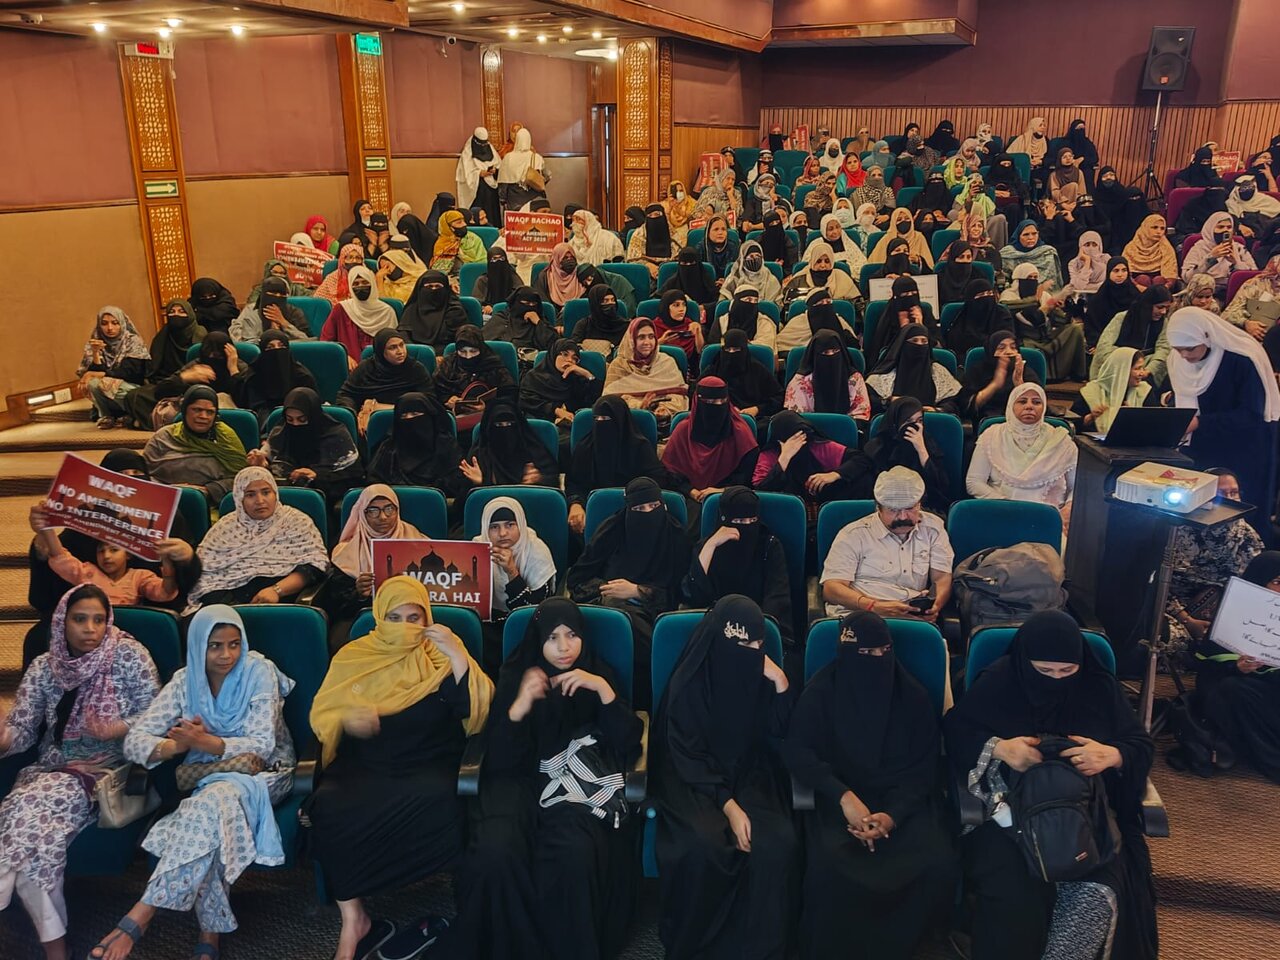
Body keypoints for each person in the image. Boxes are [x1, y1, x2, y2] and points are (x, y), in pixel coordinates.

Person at [943, 612, 1157, 960]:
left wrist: (1112, 755)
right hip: (1009, 815)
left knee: (1094, 891)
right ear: (1025, 662)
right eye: (1044, 671)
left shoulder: (1098, 686)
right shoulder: (1001, 681)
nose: (1056, 679)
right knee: (1015, 893)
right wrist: (1000, 748)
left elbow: (1140, 745)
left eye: (1067, 671)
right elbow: (956, 731)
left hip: (1086, 814)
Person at [88, 605, 295, 960]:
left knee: (212, 802)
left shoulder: (259, 671)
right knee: (213, 812)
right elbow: (135, 742)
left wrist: (206, 743)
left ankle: (141, 915)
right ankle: (209, 932)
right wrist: (176, 746)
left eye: (234, 644)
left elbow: (262, 744)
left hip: (264, 773)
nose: (226, 655)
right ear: (198, 645)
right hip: (209, 780)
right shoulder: (185, 681)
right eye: (215, 646)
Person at [308, 576, 492, 960]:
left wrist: (457, 655)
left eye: (414, 617)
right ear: (378, 617)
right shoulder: (355, 655)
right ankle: (354, 919)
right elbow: (325, 712)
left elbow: (475, 712)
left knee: (442, 801)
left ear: (427, 618)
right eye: (395, 617)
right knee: (329, 805)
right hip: (366, 762)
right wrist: (346, 718)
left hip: (429, 758)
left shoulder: (439, 653)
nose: (405, 627)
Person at [452, 596, 641, 960]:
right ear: (538, 640)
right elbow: (501, 762)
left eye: (572, 635)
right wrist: (520, 706)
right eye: (552, 637)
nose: (564, 647)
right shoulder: (517, 675)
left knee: (574, 852)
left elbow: (629, 741)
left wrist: (603, 690)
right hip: (519, 780)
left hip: (576, 782)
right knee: (495, 851)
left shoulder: (596, 673)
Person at [784, 609, 957, 960]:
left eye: (884, 651)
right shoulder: (821, 692)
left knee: (936, 859)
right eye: (865, 653)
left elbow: (924, 770)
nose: (877, 660)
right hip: (838, 798)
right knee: (829, 866)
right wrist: (843, 796)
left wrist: (892, 816)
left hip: (903, 802)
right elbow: (800, 752)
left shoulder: (912, 696)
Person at [0, 584, 158, 960]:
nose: (90, 629)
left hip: (107, 775)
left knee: (17, 815)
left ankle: (55, 948)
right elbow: (23, 729)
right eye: (80, 619)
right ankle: (57, 950)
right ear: (61, 622)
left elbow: (160, 715)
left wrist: (117, 729)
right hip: (51, 771)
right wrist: (4, 739)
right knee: (38, 841)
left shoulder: (129, 655)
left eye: (98, 620)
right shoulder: (45, 666)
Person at [653, 594, 795, 960]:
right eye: (744, 646)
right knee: (703, 844)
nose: (754, 654)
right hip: (694, 777)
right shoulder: (690, 682)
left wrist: (780, 681)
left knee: (775, 841)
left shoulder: (761, 675)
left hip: (750, 770)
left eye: (759, 645)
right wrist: (729, 805)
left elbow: (780, 732)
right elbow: (685, 754)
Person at [1163, 307, 1280, 531]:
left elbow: (1252, 414)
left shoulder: (1242, 358)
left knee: (1240, 518)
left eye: (1190, 348)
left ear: (1206, 336)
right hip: (1202, 446)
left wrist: (1199, 423)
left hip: (1245, 448)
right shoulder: (1177, 360)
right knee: (1200, 517)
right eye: (1178, 349)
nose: (1184, 355)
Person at [1190, 551, 1280, 782]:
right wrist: (1237, 667)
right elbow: (1206, 665)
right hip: (1236, 686)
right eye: (1277, 582)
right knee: (1233, 690)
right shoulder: (1234, 613)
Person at [822, 465, 955, 621]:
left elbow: (942, 578)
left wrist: (935, 607)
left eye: (910, 508)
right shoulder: (854, 534)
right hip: (860, 615)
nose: (903, 517)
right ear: (878, 508)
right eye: (893, 510)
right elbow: (831, 589)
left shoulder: (933, 528)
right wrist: (873, 606)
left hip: (910, 616)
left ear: (919, 504)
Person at [186, 466, 328, 610]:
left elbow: (314, 567)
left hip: (281, 602)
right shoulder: (224, 527)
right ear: (239, 499)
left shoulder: (297, 521)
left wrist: (276, 590)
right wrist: (232, 609)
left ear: (275, 493)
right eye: (250, 495)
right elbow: (204, 573)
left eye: (266, 492)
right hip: (228, 606)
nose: (260, 501)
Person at [1159, 469, 1262, 657]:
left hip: (1224, 615)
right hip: (1174, 611)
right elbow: (1158, 583)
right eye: (1221, 494)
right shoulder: (1178, 530)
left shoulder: (1248, 536)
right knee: (1165, 638)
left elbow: (1254, 590)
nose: (1230, 499)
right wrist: (1188, 621)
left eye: (1234, 493)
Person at [564, 395, 684, 535]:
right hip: (593, 514)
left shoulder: (639, 447)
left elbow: (657, 480)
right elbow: (575, 483)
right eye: (597, 419)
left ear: (621, 420)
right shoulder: (585, 448)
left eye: (606, 419)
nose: (601, 423)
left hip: (636, 512)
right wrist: (576, 504)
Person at [324, 484, 431, 639]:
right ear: (362, 513)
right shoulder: (346, 551)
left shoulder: (418, 541)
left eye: (389, 509)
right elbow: (335, 605)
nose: (383, 517)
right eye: (373, 511)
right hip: (366, 615)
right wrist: (359, 594)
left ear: (397, 510)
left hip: (413, 614)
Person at [684, 485, 791, 631]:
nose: (747, 526)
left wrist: (754, 631)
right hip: (716, 626)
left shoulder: (769, 547)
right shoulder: (707, 546)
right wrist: (711, 545)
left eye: (752, 520)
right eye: (739, 522)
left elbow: (777, 599)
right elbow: (694, 595)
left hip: (759, 627)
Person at [967, 383, 1077, 522]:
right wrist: (1007, 506)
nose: (1029, 406)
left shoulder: (1061, 441)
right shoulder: (992, 436)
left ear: (1044, 407)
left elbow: (1077, 487)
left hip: (1050, 517)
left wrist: (1068, 508)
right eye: (1022, 401)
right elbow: (974, 482)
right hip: (1002, 513)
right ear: (1011, 405)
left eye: (1036, 402)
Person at [473, 497, 558, 666]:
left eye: (510, 525)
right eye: (494, 527)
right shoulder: (477, 548)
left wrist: (512, 571)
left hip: (526, 628)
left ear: (520, 524)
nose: (503, 533)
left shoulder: (536, 551)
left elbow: (534, 611)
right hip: (487, 626)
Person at [247, 386, 361, 507]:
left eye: (302, 420)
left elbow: (354, 476)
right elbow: (269, 464)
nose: (295, 425)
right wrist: (260, 466)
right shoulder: (281, 433)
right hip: (277, 500)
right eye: (290, 419)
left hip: (324, 500)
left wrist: (316, 475)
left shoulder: (335, 436)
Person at [102, 299, 206, 429]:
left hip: (189, 382)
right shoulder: (163, 335)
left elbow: (200, 367)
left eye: (181, 312)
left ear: (189, 314)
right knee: (134, 396)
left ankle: (147, 421)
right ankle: (153, 421)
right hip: (165, 383)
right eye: (172, 312)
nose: (176, 315)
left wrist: (183, 378)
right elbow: (154, 367)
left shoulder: (200, 335)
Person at [752, 410, 873, 514]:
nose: (797, 444)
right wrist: (785, 457)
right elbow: (761, 490)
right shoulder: (769, 455)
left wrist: (834, 474)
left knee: (864, 479)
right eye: (793, 439)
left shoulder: (815, 446)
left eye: (800, 437)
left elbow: (861, 459)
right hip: (786, 512)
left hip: (823, 503)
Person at [142, 385, 246, 505]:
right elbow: (144, 474)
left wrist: (210, 490)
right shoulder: (163, 437)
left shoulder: (226, 438)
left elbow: (241, 478)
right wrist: (174, 490)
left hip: (212, 504)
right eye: (197, 410)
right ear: (185, 410)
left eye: (210, 412)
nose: (203, 416)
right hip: (163, 501)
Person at [662, 377, 759, 501]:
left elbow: (746, 476)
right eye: (709, 401)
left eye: (722, 401)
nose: (717, 406)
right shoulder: (683, 431)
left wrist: (721, 491)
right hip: (688, 497)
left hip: (729, 497)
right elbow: (670, 472)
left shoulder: (740, 434)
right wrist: (691, 491)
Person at [336, 328, 434, 436]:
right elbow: (345, 395)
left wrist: (377, 407)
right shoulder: (366, 368)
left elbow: (429, 402)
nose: (400, 351)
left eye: (402, 345)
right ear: (381, 351)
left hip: (408, 425)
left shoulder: (415, 369)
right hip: (367, 427)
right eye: (392, 348)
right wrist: (355, 417)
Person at [367, 391, 468, 495]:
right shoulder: (388, 448)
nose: (409, 419)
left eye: (415, 414)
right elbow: (374, 481)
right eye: (404, 416)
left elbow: (456, 483)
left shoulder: (447, 446)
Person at [1001, 264, 1089, 383]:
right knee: (1026, 347)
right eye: (1029, 278)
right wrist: (1042, 304)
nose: (1032, 281)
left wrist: (1059, 308)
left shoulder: (1044, 295)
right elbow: (1028, 315)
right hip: (1026, 340)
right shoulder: (1009, 296)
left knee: (1075, 329)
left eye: (1035, 278)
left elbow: (1060, 321)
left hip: (1046, 337)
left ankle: (1078, 374)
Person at [603, 317, 689, 423]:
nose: (647, 342)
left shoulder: (667, 362)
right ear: (631, 340)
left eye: (651, 337)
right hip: (629, 421)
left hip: (665, 422)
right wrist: (640, 406)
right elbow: (609, 401)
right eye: (641, 337)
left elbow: (680, 397)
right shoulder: (619, 365)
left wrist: (664, 409)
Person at [463, 395, 559, 488]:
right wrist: (480, 484)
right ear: (489, 429)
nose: (505, 430)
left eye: (510, 423)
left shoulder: (535, 453)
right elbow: (463, 495)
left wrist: (539, 480)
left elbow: (554, 483)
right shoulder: (479, 457)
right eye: (498, 425)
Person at [77, 307, 151, 428]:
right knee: (92, 383)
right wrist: (95, 353)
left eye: (115, 323)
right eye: (104, 323)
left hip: (130, 388)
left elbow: (131, 373)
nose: (110, 328)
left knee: (106, 383)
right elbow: (93, 373)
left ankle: (131, 413)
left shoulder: (132, 341)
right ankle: (107, 416)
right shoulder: (96, 341)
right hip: (108, 389)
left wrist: (103, 375)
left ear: (122, 323)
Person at [866, 324, 962, 415]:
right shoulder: (885, 374)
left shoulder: (937, 371)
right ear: (902, 344)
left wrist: (937, 410)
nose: (919, 345)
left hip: (931, 421)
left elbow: (956, 402)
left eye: (924, 341)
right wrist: (888, 402)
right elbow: (868, 402)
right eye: (914, 341)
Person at [1091, 283, 1174, 384]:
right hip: (1119, 365)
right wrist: (1128, 365)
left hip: (1145, 367)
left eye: (1166, 308)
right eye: (1160, 307)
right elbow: (1104, 346)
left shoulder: (1163, 322)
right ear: (1147, 305)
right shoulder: (1122, 318)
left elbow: (1163, 348)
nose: (1163, 312)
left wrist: (1148, 370)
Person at [958, 329, 1041, 426]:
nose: (1009, 352)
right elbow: (965, 406)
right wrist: (995, 384)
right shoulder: (978, 371)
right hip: (988, 421)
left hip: (1024, 422)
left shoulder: (1026, 372)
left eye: (1013, 347)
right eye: (1001, 348)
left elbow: (1037, 405)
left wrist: (1019, 384)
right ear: (991, 351)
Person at [519, 337, 602, 433]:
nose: (569, 360)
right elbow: (526, 401)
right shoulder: (534, 377)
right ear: (554, 355)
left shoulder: (577, 379)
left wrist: (587, 374)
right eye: (565, 354)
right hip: (542, 426)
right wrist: (556, 410)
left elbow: (596, 398)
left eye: (574, 358)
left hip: (572, 428)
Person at [783, 328, 871, 419]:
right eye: (825, 352)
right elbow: (795, 418)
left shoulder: (854, 379)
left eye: (835, 351)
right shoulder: (799, 382)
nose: (831, 356)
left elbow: (861, 415)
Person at [236, 330, 317, 428]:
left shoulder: (303, 377)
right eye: (270, 348)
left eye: (281, 346)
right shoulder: (254, 376)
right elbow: (255, 407)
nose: (277, 351)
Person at [320, 266, 398, 365]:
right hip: (349, 366)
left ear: (372, 283)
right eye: (356, 284)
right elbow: (326, 341)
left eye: (365, 282)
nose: (361, 286)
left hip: (380, 366)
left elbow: (394, 345)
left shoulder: (387, 312)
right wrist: (344, 356)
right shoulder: (341, 309)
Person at [702, 327, 782, 422]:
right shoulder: (714, 370)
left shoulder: (758, 370)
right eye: (727, 349)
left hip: (754, 420)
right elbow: (697, 394)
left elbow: (778, 397)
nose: (731, 353)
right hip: (719, 419)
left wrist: (757, 409)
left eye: (736, 349)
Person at [1075, 347, 1151, 432]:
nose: (1142, 373)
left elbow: (1154, 424)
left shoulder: (1144, 391)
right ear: (1122, 370)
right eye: (1137, 369)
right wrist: (1090, 418)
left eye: (1142, 368)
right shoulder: (1091, 392)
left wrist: (1133, 418)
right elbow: (1072, 425)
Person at [1182, 211, 1257, 294]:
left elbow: (1253, 276)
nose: (1225, 230)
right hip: (1205, 293)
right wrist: (1210, 258)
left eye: (1229, 227)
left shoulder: (1239, 248)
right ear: (1211, 229)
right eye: (1220, 227)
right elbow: (1187, 278)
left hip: (1233, 292)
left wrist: (1236, 263)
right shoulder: (1199, 248)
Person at [397, 269, 466, 350]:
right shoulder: (412, 309)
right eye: (429, 287)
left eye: (438, 286)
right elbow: (403, 334)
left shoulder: (454, 310)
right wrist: (417, 351)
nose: (433, 290)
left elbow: (460, 339)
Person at [482, 283, 558, 354]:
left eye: (534, 304)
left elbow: (554, 346)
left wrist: (538, 322)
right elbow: (484, 344)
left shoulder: (541, 322)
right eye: (526, 303)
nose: (530, 307)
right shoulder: (501, 319)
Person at [945, 280, 1013, 358]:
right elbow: (955, 343)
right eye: (981, 295)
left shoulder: (1002, 314)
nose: (987, 297)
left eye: (990, 293)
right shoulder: (962, 318)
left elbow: (1006, 339)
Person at [1085, 256, 1141, 347]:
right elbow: (1091, 327)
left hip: (1131, 345)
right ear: (1108, 273)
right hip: (1105, 345)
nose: (1120, 274)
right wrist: (1097, 344)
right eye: (1116, 271)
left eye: (1124, 270)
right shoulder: (1098, 299)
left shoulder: (1135, 296)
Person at [1223, 253, 1280, 338]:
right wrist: (1246, 323)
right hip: (1248, 336)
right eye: (1277, 277)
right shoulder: (1255, 284)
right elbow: (1227, 314)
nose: (1278, 283)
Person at [456, 126, 501, 226]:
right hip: (478, 190)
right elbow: (466, 174)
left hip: (491, 190)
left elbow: (498, 164)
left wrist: (494, 171)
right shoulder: (468, 152)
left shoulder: (490, 148)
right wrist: (479, 173)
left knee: (492, 215)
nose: (483, 146)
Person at [564, 283, 626, 357]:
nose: (610, 304)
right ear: (595, 304)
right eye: (605, 301)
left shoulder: (625, 325)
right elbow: (573, 347)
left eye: (613, 300)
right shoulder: (584, 325)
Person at [1000, 220, 1063, 288]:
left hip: (1045, 291)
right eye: (1026, 234)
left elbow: (1052, 280)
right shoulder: (1007, 254)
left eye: (1034, 233)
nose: (1031, 238)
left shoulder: (1047, 252)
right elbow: (1003, 280)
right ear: (1018, 236)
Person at [498, 127, 548, 211]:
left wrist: (502, 199)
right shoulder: (537, 157)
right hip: (534, 199)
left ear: (517, 140)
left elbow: (503, 182)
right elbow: (548, 175)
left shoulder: (508, 158)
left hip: (514, 201)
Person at [718, 239, 783, 304]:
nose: (754, 259)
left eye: (758, 256)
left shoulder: (770, 279)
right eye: (751, 256)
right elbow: (723, 303)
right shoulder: (733, 278)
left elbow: (776, 306)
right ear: (743, 259)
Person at [650, 288, 704, 367]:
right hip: (658, 367)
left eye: (684, 305)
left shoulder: (690, 325)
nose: (681, 309)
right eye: (676, 305)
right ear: (666, 307)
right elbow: (644, 351)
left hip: (688, 369)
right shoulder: (654, 326)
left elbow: (700, 352)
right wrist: (661, 342)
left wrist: (698, 332)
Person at [627, 203, 680, 279]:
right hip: (645, 274)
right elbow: (632, 259)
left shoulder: (673, 234)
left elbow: (679, 257)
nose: (654, 218)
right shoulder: (639, 234)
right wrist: (648, 266)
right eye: (650, 216)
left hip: (670, 272)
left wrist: (665, 268)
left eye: (657, 215)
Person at [1122, 214, 1179, 283]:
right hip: (1135, 286)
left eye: (1162, 228)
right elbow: (1124, 275)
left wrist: (1163, 287)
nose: (1159, 232)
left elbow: (1170, 278)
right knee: (1143, 279)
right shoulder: (1130, 248)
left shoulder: (1167, 248)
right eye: (1155, 227)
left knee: (1159, 280)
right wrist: (1139, 286)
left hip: (1160, 287)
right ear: (1145, 227)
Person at [869, 208, 933, 268]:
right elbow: (875, 264)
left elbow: (929, 264)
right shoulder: (887, 239)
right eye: (899, 219)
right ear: (893, 222)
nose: (903, 221)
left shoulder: (918, 237)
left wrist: (918, 260)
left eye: (907, 218)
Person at [430, 210, 487, 277]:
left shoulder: (473, 238)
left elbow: (483, 261)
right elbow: (438, 271)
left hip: (475, 275)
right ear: (449, 227)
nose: (464, 224)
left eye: (463, 221)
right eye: (459, 222)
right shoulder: (441, 244)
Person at [534, 243, 587, 313]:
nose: (569, 260)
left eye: (572, 257)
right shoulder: (544, 276)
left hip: (577, 313)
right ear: (556, 259)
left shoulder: (581, 273)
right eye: (565, 258)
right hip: (553, 315)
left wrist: (569, 309)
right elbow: (543, 302)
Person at [701, 214, 741, 282]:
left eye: (723, 229)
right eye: (716, 229)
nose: (720, 233)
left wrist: (726, 281)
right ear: (708, 232)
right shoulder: (701, 248)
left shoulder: (733, 247)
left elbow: (738, 273)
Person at [1067, 230, 1107, 294]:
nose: (1091, 248)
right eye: (1087, 245)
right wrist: (1087, 262)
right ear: (1080, 247)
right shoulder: (1074, 263)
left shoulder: (1106, 259)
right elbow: (1077, 286)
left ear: (1100, 246)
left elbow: (1109, 284)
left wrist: (1087, 287)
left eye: (1094, 245)